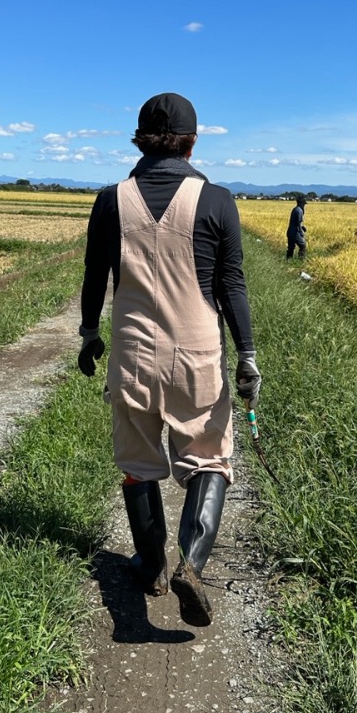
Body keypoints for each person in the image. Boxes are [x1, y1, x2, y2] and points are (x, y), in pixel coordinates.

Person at [77, 92, 261, 627]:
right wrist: (247, 355)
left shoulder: (112, 200)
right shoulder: (219, 200)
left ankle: (152, 566)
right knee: (209, 457)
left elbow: (94, 278)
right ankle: (192, 565)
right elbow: (232, 285)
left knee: (138, 462)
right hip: (198, 354)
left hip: (133, 351)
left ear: (139, 138)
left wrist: (90, 336)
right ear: (192, 141)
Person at [286, 194, 307, 259]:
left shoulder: (295, 209)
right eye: (303, 204)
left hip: (290, 232)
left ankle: (288, 260)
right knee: (303, 245)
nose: (304, 205)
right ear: (301, 203)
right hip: (295, 233)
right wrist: (301, 232)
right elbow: (298, 222)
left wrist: (302, 227)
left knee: (291, 247)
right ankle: (300, 260)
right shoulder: (299, 210)